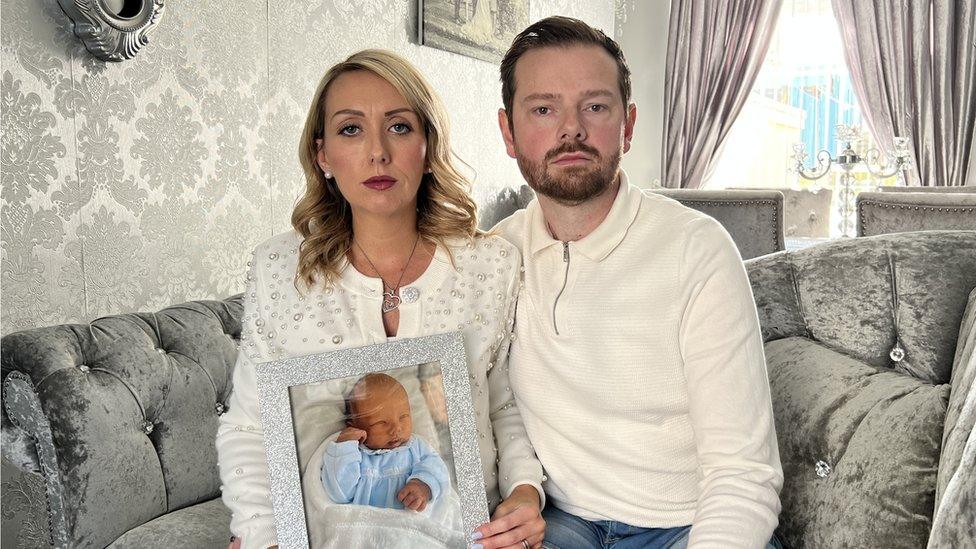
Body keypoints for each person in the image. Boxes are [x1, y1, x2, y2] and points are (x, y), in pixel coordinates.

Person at [473, 17, 784, 549]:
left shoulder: (697, 251)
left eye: (594, 106)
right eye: (543, 109)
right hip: (560, 522)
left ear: (628, 124)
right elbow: (493, 404)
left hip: (688, 525)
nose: (570, 129)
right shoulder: (496, 255)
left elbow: (743, 476)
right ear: (508, 131)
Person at [217, 49, 545, 549]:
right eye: (351, 129)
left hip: (464, 531)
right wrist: (263, 534)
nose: (378, 152)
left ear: (427, 144)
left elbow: (505, 406)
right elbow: (249, 425)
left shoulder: (491, 265)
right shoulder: (279, 270)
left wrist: (525, 493)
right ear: (322, 154)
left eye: (399, 127)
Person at [320, 373, 450, 512]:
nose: (396, 429)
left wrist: (423, 486)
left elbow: (437, 468)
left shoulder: (415, 446)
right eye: (381, 423)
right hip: (370, 524)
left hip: (411, 524)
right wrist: (344, 448)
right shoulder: (355, 455)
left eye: (403, 417)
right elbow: (339, 494)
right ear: (354, 425)